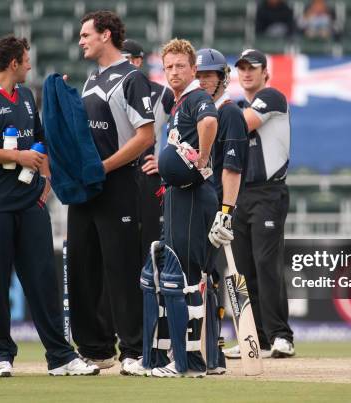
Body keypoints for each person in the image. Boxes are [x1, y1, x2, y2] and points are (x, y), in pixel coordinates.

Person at [0, 35, 99, 377]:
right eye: (26, 60)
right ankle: (1, 356)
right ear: (13, 63)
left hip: (30, 202)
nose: (30, 65)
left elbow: (38, 138)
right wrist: (15, 156)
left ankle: (61, 357)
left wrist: (46, 177)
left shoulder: (24, 97)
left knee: (43, 280)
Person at [67, 11, 155, 375]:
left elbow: (146, 137)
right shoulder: (89, 80)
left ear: (106, 35)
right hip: (85, 189)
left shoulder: (133, 78)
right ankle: (96, 348)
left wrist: (103, 167)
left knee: (120, 270)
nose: (81, 40)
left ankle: (133, 351)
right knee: (83, 268)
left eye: (86, 34)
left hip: (117, 184)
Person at [140, 38, 219, 378]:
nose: (173, 72)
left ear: (193, 69)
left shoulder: (197, 97)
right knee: (177, 275)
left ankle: (190, 362)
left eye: (180, 66)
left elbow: (209, 124)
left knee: (185, 278)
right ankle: (186, 357)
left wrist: (201, 157)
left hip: (191, 194)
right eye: (168, 66)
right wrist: (166, 164)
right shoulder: (177, 104)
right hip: (178, 193)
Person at [224, 49, 294, 360]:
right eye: (241, 68)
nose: (247, 73)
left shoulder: (272, 97)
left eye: (253, 68)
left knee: (266, 266)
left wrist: (208, 120)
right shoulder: (238, 107)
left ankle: (281, 336)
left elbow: (239, 125)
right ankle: (253, 337)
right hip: (239, 194)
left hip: (268, 193)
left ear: (266, 72)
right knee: (241, 271)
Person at [195, 47, 249, 375]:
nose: (203, 80)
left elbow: (232, 168)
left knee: (218, 278)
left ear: (221, 78)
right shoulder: (193, 110)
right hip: (195, 207)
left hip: (218, 209)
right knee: (201, 278)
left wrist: (226, 211)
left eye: (209, 75)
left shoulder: (229, 114)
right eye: (198, 74)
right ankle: (200, 344)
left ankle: (213, 346)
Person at [121, 38, 175, 255]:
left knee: (151, 241)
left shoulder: (163, 94)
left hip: (148, 173)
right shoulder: (107, 91)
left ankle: (152, 288)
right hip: (119, 174)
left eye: (125, 59)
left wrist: (164, 159)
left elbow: (181, 131)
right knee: (121, 240)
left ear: (138, 61)